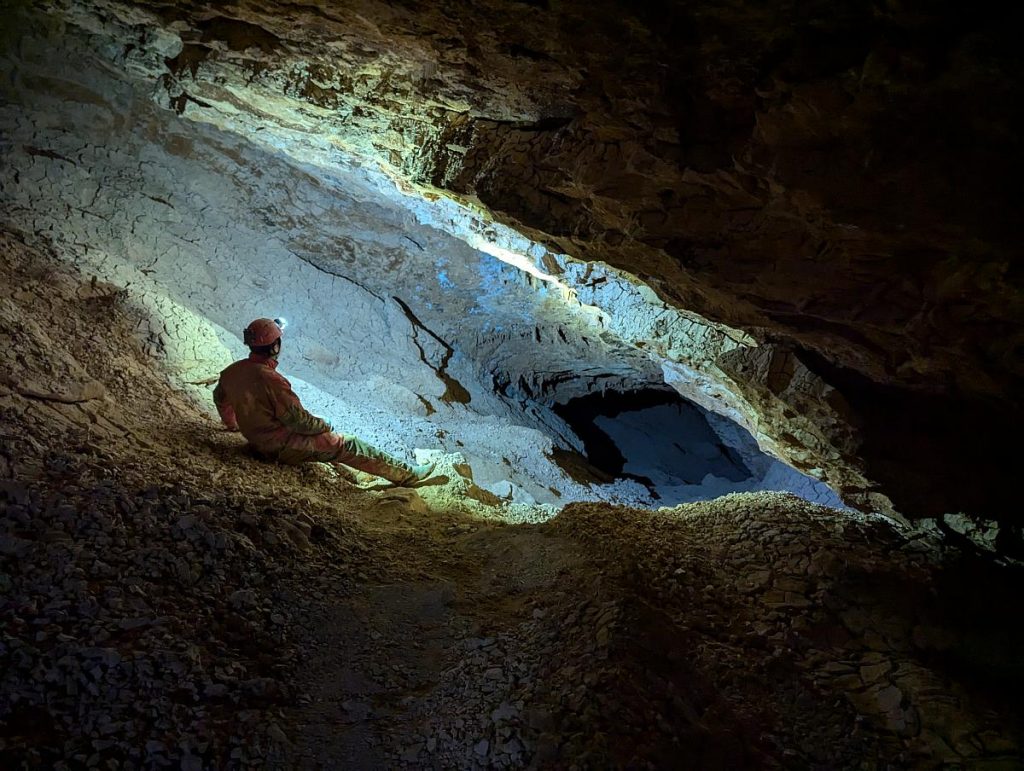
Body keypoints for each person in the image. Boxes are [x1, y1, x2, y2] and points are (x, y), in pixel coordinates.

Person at [213, 317, 435, 486]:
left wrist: (232, 424)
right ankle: (407, 475)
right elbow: (298, 422)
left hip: (257, 440)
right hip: (278, 446)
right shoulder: (272, 380)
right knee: (348, 443)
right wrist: (325, 424)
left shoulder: (231, 372)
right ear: (275, 347)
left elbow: (220, 399)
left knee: (326, 439)